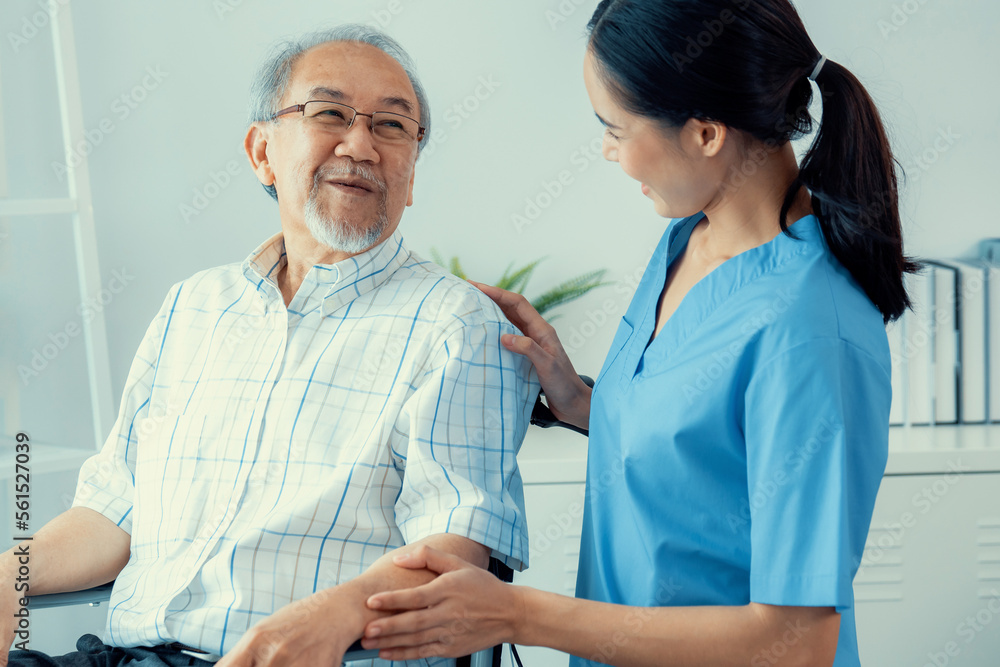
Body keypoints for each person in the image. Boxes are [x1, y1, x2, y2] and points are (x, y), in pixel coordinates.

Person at [356, 1, 915, 666]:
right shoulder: (689, 238)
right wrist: (582, 402)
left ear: (706, 133)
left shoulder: (812, 328)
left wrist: (517, 612)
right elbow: (710, 454)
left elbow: (795, 639)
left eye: (615, 128)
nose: (608, 151)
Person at [0, 25, 536, 667]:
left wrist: (335, 617)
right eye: (329, 113)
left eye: (393, 127)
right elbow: (111, 515)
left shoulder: (456, 322)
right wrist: (10, 574)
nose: (360, 144)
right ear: (262, 152)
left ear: (412, 171)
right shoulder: (193, 306)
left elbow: (454, 555)